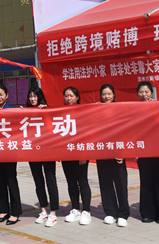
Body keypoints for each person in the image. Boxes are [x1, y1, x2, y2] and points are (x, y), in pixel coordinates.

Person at [134, 81, 159, 227]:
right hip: (143, 150)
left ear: (152, 93)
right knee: (146, 181)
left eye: (146, 91)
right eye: (141, 92)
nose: (143, 94)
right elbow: (132, 131)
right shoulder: (133, 109)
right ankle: (148, 213)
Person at [96, 84, 129, 227]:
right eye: (104, 94)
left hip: (118, 152)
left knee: (121, 184)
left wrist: (123, 152)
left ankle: (123, 214)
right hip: (102, 152)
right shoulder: (96, 110)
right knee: (105, 183)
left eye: (109, 94)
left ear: (114, 95)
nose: (106, 97)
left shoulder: (120, 109)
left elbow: (126, 131)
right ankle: (110, 212)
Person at [26, 87, 59, 227]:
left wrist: (46, 111)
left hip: (47, 152)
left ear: (40, 97)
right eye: (30, 96)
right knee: (38, 182)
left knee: (51, 181)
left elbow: (54, 129)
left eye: (35, 96)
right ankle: (44, 210)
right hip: (33, 152)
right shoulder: (25, 112)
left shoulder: (47, 110)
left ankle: (53, 213)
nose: (33, 99)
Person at [0, 85, 22, 225]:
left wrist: (23, 112)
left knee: (11, 181)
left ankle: (15, 212)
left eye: (1, 94)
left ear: (7, 95)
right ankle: (3, 210)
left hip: (9, 152)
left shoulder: (12, 111)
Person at [61, 86, 92, 226]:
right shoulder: (61, 112)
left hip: (80, 153)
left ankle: (86, 211)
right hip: (67, 153)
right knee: (71, 182)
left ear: (77, 97)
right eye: (66, 96)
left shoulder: (83, 111)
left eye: (71, 96)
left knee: (82, 181)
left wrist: (84, 152)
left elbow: (87, 133)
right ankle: (75, 209)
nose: (68, 98)